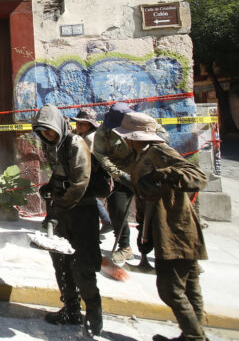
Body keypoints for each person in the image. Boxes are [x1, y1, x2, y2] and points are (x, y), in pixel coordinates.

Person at [113, 111, 208, 341]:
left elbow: (197, 176)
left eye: (128, 136)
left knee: (170, 289)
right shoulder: (140, 155)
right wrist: (143, 231)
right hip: (161, 228)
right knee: (189, 287)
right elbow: (146, 198)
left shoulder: (159, 151)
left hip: (176, 229)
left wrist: (162, 175)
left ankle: (194, 337)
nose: (125, 139)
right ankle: (193, 333)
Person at [33, 104, 103, 337]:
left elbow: (80, 183)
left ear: (60, 126)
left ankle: (93, 315)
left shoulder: (75, 143)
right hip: (62, 210)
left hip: (82, 211)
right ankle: (71, 309)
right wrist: (50, 187)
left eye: (50, 131)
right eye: (43, 132)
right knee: (60, 263)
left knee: (81, 266)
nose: (47, 135)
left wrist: (57, 207)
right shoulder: (51, 145)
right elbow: (60, 173)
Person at [93, 102, 169, 268]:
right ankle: (124, 246)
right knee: (117, 209)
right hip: (123, 177)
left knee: (153, 214)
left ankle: (161, 253)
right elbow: (101, 156)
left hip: (148, 175)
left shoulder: (143, 122)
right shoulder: (104, 132)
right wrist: (121, 176)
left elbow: (164, 139)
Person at [70, 107, 113, 235]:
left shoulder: (90, 137)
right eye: (78, 123)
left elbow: (92, 158)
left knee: (86, 197)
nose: (78, 125)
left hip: (91, 173)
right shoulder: (84, 134)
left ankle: (103, 222)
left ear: (90, 124)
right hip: (87, 172)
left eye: (82, 123)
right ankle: (104, 222)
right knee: (86, 197)